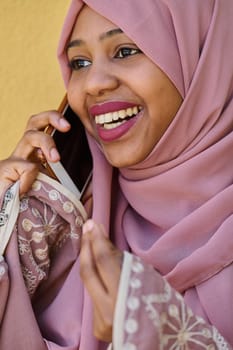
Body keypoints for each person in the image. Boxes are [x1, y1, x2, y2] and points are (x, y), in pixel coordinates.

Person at [0, 0, 232, 349]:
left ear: (204, 62)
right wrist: (8, 219)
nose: (93, 84)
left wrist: (161, 334)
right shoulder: (71, 226)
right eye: (80, 62)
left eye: (125, 51)